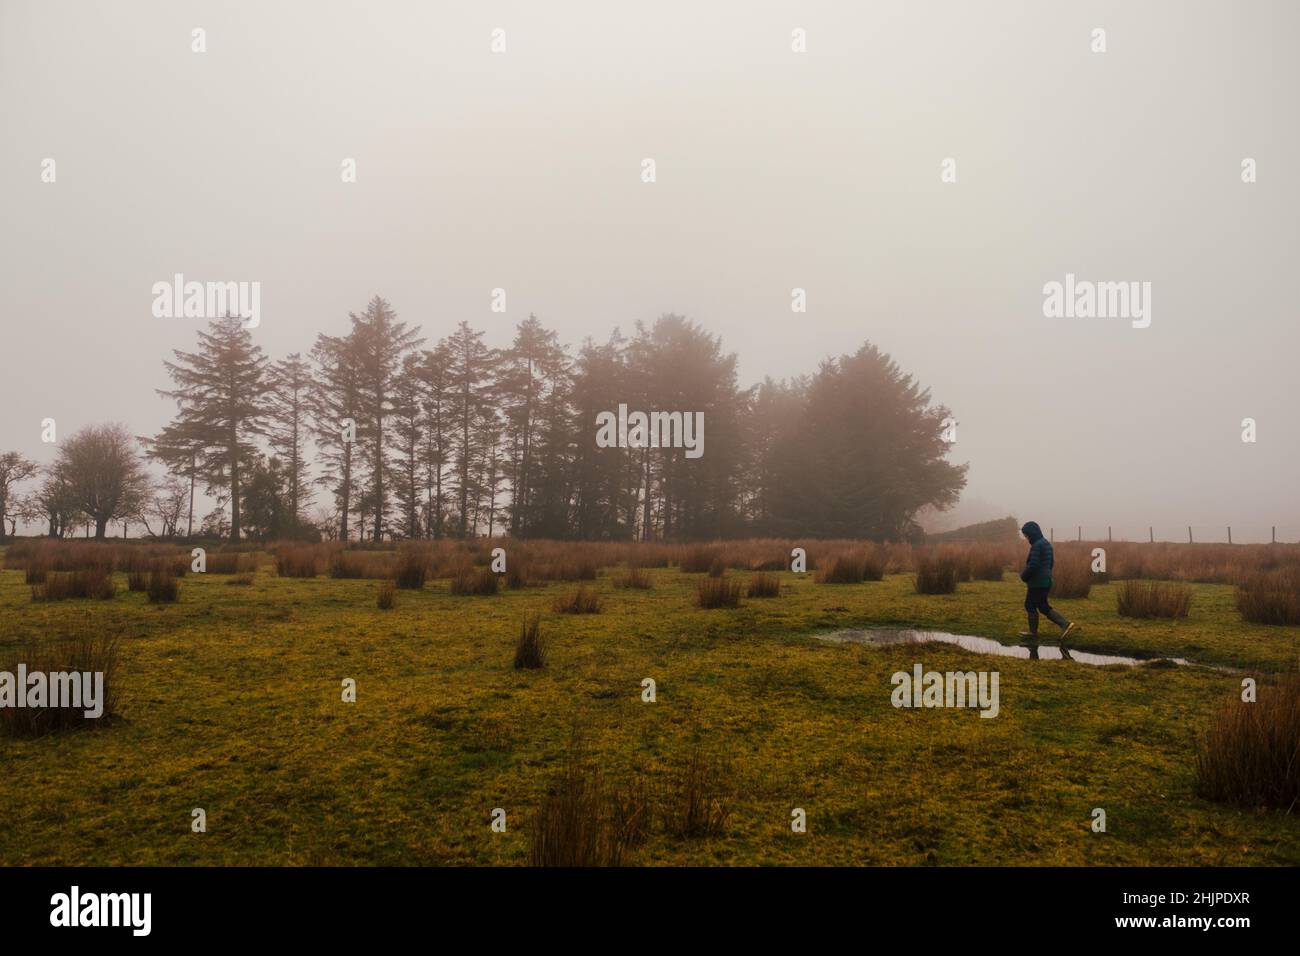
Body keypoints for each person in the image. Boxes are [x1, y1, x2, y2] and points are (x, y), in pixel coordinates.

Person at [1018, 521, 1077, 641]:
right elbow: (1051, 563)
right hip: (1046, 580)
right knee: (1043, 606)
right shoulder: (1046, 544)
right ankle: (1065, 624)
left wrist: (1024, 576)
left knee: (1029, 604)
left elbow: (1033, 565)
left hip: (1037, 582)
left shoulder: (1037, 546)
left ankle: (1033, 633)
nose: (1026, 538)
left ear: (1032, 534)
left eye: (1026, 535)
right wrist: (1047, 575)